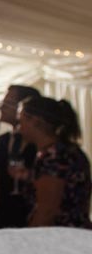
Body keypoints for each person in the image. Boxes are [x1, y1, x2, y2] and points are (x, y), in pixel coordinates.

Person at [17, 96, 91, 229]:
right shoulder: (62, 152)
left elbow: (47, 212)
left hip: (62, 235)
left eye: (21, 122)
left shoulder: (56, 156)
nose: (19, 128)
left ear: (36, 121)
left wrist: (29, 237)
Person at [0, 84, 42, 231]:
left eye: (7, 103)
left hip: (36, 222)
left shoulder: (43, 144)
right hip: (4, 219)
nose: (1, 107)